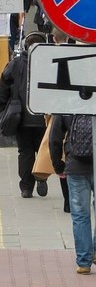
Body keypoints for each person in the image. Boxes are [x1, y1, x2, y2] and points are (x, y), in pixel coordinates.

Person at [0, 32, 50, 198]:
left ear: (25, 46)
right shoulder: (48, 63)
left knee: (25, 151)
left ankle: (26, 187)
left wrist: (2, 107)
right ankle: (41, 176)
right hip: (43, 117)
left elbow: (4, 83)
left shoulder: (16, 63)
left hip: (21, 116)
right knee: (41, 149)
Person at [50, 113, 95, 274]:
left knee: (80, 215)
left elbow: (55, 137)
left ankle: (84, 262)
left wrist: (58, 165)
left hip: (76, 166)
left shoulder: (68, 98)